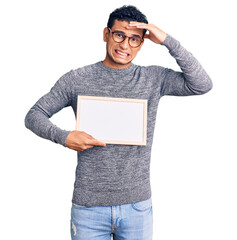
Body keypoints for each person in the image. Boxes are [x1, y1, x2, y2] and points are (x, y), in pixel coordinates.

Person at [25, 5, 213, 240]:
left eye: (134, 39)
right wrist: (64, 137)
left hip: (137, 206)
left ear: (142, 43)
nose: (125, 45)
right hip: (88, 208)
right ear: (106, 34)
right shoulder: (77, 79)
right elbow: (34, 115)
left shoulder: (153, 78)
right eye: (119, 35)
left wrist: (166, 40)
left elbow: (202, 84)